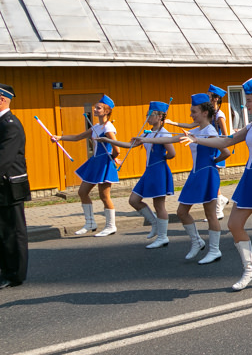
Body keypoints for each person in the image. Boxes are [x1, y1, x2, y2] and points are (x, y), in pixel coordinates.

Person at [183, 76, 252, 291]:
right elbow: (227, 141)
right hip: (250, 179)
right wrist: (197, 139)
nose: (246, 105)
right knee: (234, 224)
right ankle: (250, 269)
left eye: (250, 101)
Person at [135, 94, 230, 260]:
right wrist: (144, 138)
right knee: (181, 211)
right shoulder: (196, 131)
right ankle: (197, 241)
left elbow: (226, 152)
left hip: (207, 173)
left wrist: (212, 161)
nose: (191, 115)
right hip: (195, 174)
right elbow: (170, 138)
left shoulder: (210, 131)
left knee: (210, 214)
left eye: (194, 111)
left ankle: (214, 250)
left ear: (205, 113)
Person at [96, 101, 176, 247]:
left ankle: (163, 237)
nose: (147, 118)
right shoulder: (149, 133)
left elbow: (172, 153)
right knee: (133, 200)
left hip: (158, 170)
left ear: (159, 117)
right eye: (147, 115)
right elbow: (129, 145)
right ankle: (154, 224)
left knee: (159, 205)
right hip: (149, 171)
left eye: (150, 115)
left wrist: (160, 159)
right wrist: (107, 140)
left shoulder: (164, 133)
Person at [53, 95, 120, 237]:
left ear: (106, 111)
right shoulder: (96, 127)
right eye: (95, 107)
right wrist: (60, 137)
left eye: (98, 108)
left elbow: (117, 148)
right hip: (95, 162)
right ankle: (90, 223)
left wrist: (113, 159)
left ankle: (111, 226)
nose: (95, 110)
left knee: (104, 195)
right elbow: (78, 137)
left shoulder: (108, 127)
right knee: (82, 192)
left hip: (104, 162)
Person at [166, 84, 230, 219]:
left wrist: (215, 144)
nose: (207, 97)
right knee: (212, 183)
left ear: (216, 99)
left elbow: (225, 136)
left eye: (209, 95)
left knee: (213, 180)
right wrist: (173, 123)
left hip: (213, 145)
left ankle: (217, 207)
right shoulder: (204, 117)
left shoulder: (219, 114)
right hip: (203, 144)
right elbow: (191, 126)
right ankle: (218, 202)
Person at [0, 84, 30, 290]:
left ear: (2, 99)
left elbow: (4, 159)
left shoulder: (10, 124)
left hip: (10, 185)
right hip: (3, 184)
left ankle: (15, 274)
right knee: (3, 231)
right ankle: (6, 269)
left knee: (13, 231)